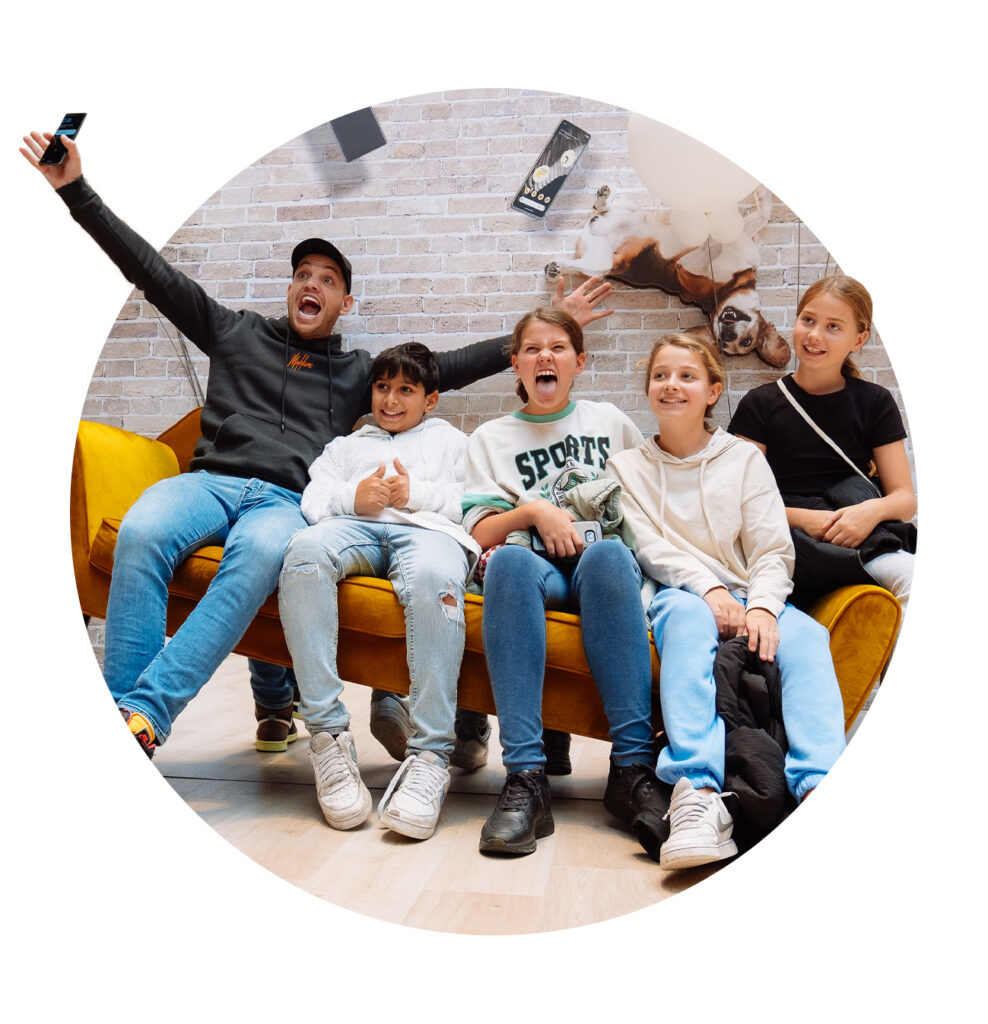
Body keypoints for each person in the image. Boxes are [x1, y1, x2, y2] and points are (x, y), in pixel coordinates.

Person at [21, 129, 612, 756]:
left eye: (327, 279)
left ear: (344, 301)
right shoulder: (233, 332)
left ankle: (146, 711)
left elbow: (447, 366)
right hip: (209, 482)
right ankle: (126, 716)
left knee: (259, 561)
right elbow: (151, 272)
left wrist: (550, 328)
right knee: (139, 533)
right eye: (303, 274)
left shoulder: (361, 372)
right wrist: (76, 192)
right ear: (291, 289)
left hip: (283, 504)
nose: (312, 284)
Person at [606, 332, 847, 869]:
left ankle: (817, 785)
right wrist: (708, 589)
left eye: (687, 376)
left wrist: (761, 605)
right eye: (661, 375)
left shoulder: (742, 459)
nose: (672, 386)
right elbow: (649, 547)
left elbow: (771, 547)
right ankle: (698, 794)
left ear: (713, 390)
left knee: (808, 636)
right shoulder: (625, 468)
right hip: (677, 593)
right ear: (648, 388)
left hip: (747, 590)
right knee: (689, 623)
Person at [462, 307, 664, 855]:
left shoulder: (609, 422)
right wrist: (531, 511)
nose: (544, 356)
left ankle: (631, 770)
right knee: (507, 561)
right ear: (516, 365)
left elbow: (644, 508)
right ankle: (526, 778)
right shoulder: (490, 437)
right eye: (532, 348)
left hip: (603, 568)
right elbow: (480, 530)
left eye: (557, 347)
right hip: (537, 569)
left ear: (579, 361)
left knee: (608, 558)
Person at [278, 342, 478, 840]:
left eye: (405, 390)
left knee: (435, 579)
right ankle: (327, 737)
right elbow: (314, 497)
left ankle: (431, 754)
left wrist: (419, 496)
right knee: (303, 552)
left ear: (430, 400)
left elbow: (475, 500)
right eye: (382, 387)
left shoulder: (453, 442)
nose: (390, 400)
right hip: (355, 527)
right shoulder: (348, 445)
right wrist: (353, 496)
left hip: (429, 531)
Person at [728, 275, 916, 610]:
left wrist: (869, 513)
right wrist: (805, 519)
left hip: (860, 537)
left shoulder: (875, 401)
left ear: (858, 339)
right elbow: (738, 504)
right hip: (787, 544)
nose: (815, 335)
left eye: (833, 327)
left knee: (911, 578)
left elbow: (904, 499)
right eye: (808, 320)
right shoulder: (760, 404)